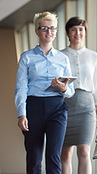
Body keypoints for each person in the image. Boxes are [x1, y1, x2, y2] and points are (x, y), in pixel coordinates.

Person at [15, 11, 75, 174]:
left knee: (54, 157)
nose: (49, 32)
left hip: (57, 107)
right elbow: (21, 88)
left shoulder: (63, 58)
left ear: (56, 32)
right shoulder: (26, 57)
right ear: (37, 31)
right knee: (34, 158)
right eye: (44, 28)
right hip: (33, 107)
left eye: (52, 28)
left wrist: (63, 88)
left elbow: (70, 91)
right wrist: (22, 114)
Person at [60, 17, 97, 174]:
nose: (77, 33)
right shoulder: (59, 55)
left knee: (84, 151)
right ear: (68, 33)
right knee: (65, 154)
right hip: (64, 108)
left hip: (87, 108)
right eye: (73, 29)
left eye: (81, 29)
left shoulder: (93, 56)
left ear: (85, 32)